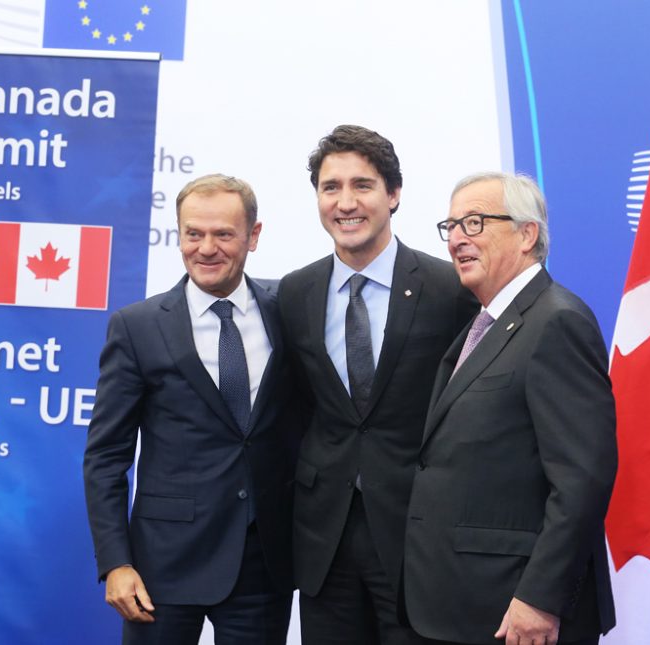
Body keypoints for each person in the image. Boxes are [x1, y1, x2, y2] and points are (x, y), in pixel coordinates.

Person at [278, 124, 477, 644]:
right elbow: (300, 408)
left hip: (421, 538)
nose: (346, 202)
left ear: (393, 195)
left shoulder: (449, 289)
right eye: (330, 187)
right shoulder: (296, 292)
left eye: (362, 185)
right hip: (325, 543)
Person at [83, 174, 299, 645]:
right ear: (178, 235)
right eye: (193, 233)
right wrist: (116, 563)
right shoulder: (136, 327)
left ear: (253, 236)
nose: (206, 248)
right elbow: (106, 457)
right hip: (162, 566)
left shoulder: (289, 308)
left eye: (223, 234)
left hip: (263, 566)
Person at [402, 172, 617, 645]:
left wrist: (541, 597)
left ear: (527, 234)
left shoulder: (557, 321)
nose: (457, 238)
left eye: (474, 222)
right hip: (464, 605)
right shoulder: (483, 325)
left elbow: (581, 479)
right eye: (451, 225)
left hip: (519, 611)